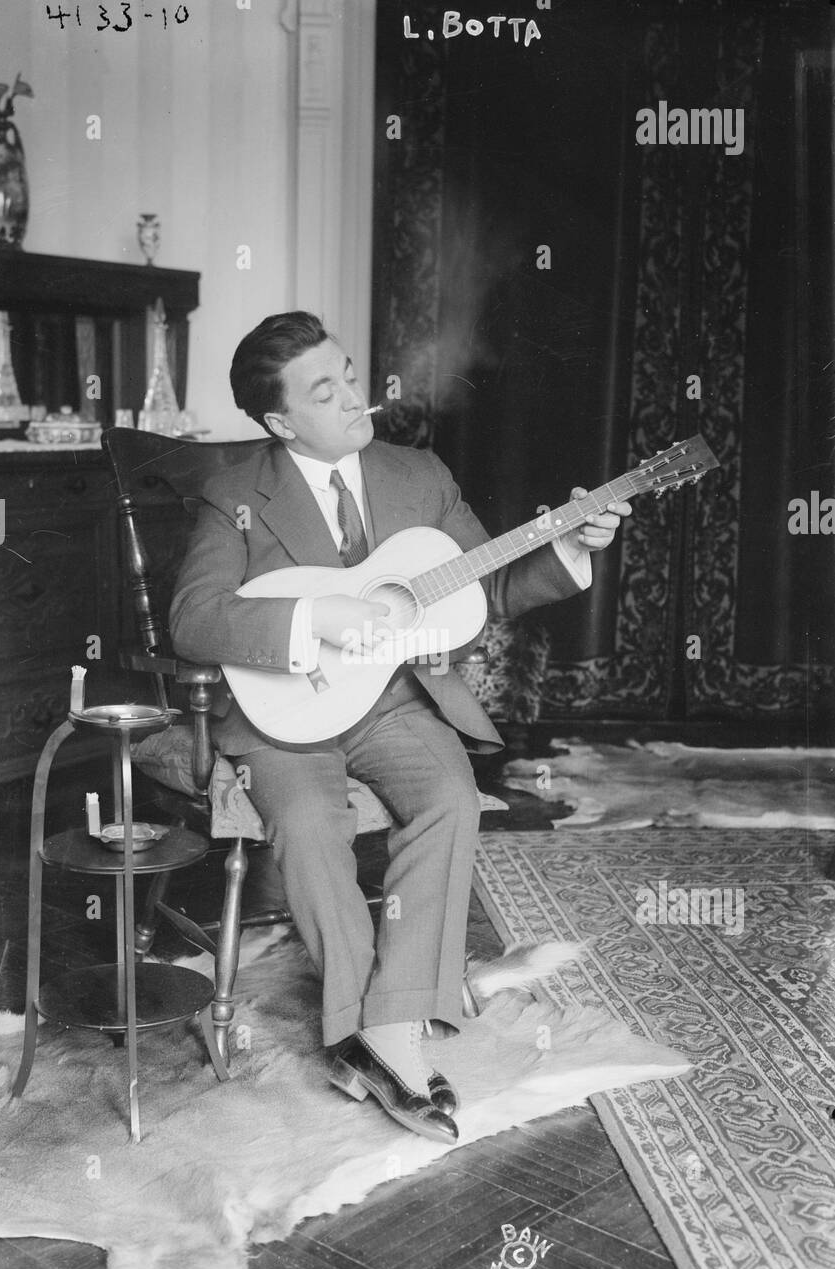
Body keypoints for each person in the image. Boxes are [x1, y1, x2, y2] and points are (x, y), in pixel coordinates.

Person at [170, 311, 630, 1145]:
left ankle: (382, 1022)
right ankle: (382, 1033)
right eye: (325, 390)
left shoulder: (416, 473)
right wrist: (317, 616)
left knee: (450, 799)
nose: (355, 396)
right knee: (311, 823)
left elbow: (482, 591)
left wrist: (571, 549)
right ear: (279, 421)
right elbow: (195, 619)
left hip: (392, 701)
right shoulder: (236, 493)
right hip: (290, 712)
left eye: (348, 372)